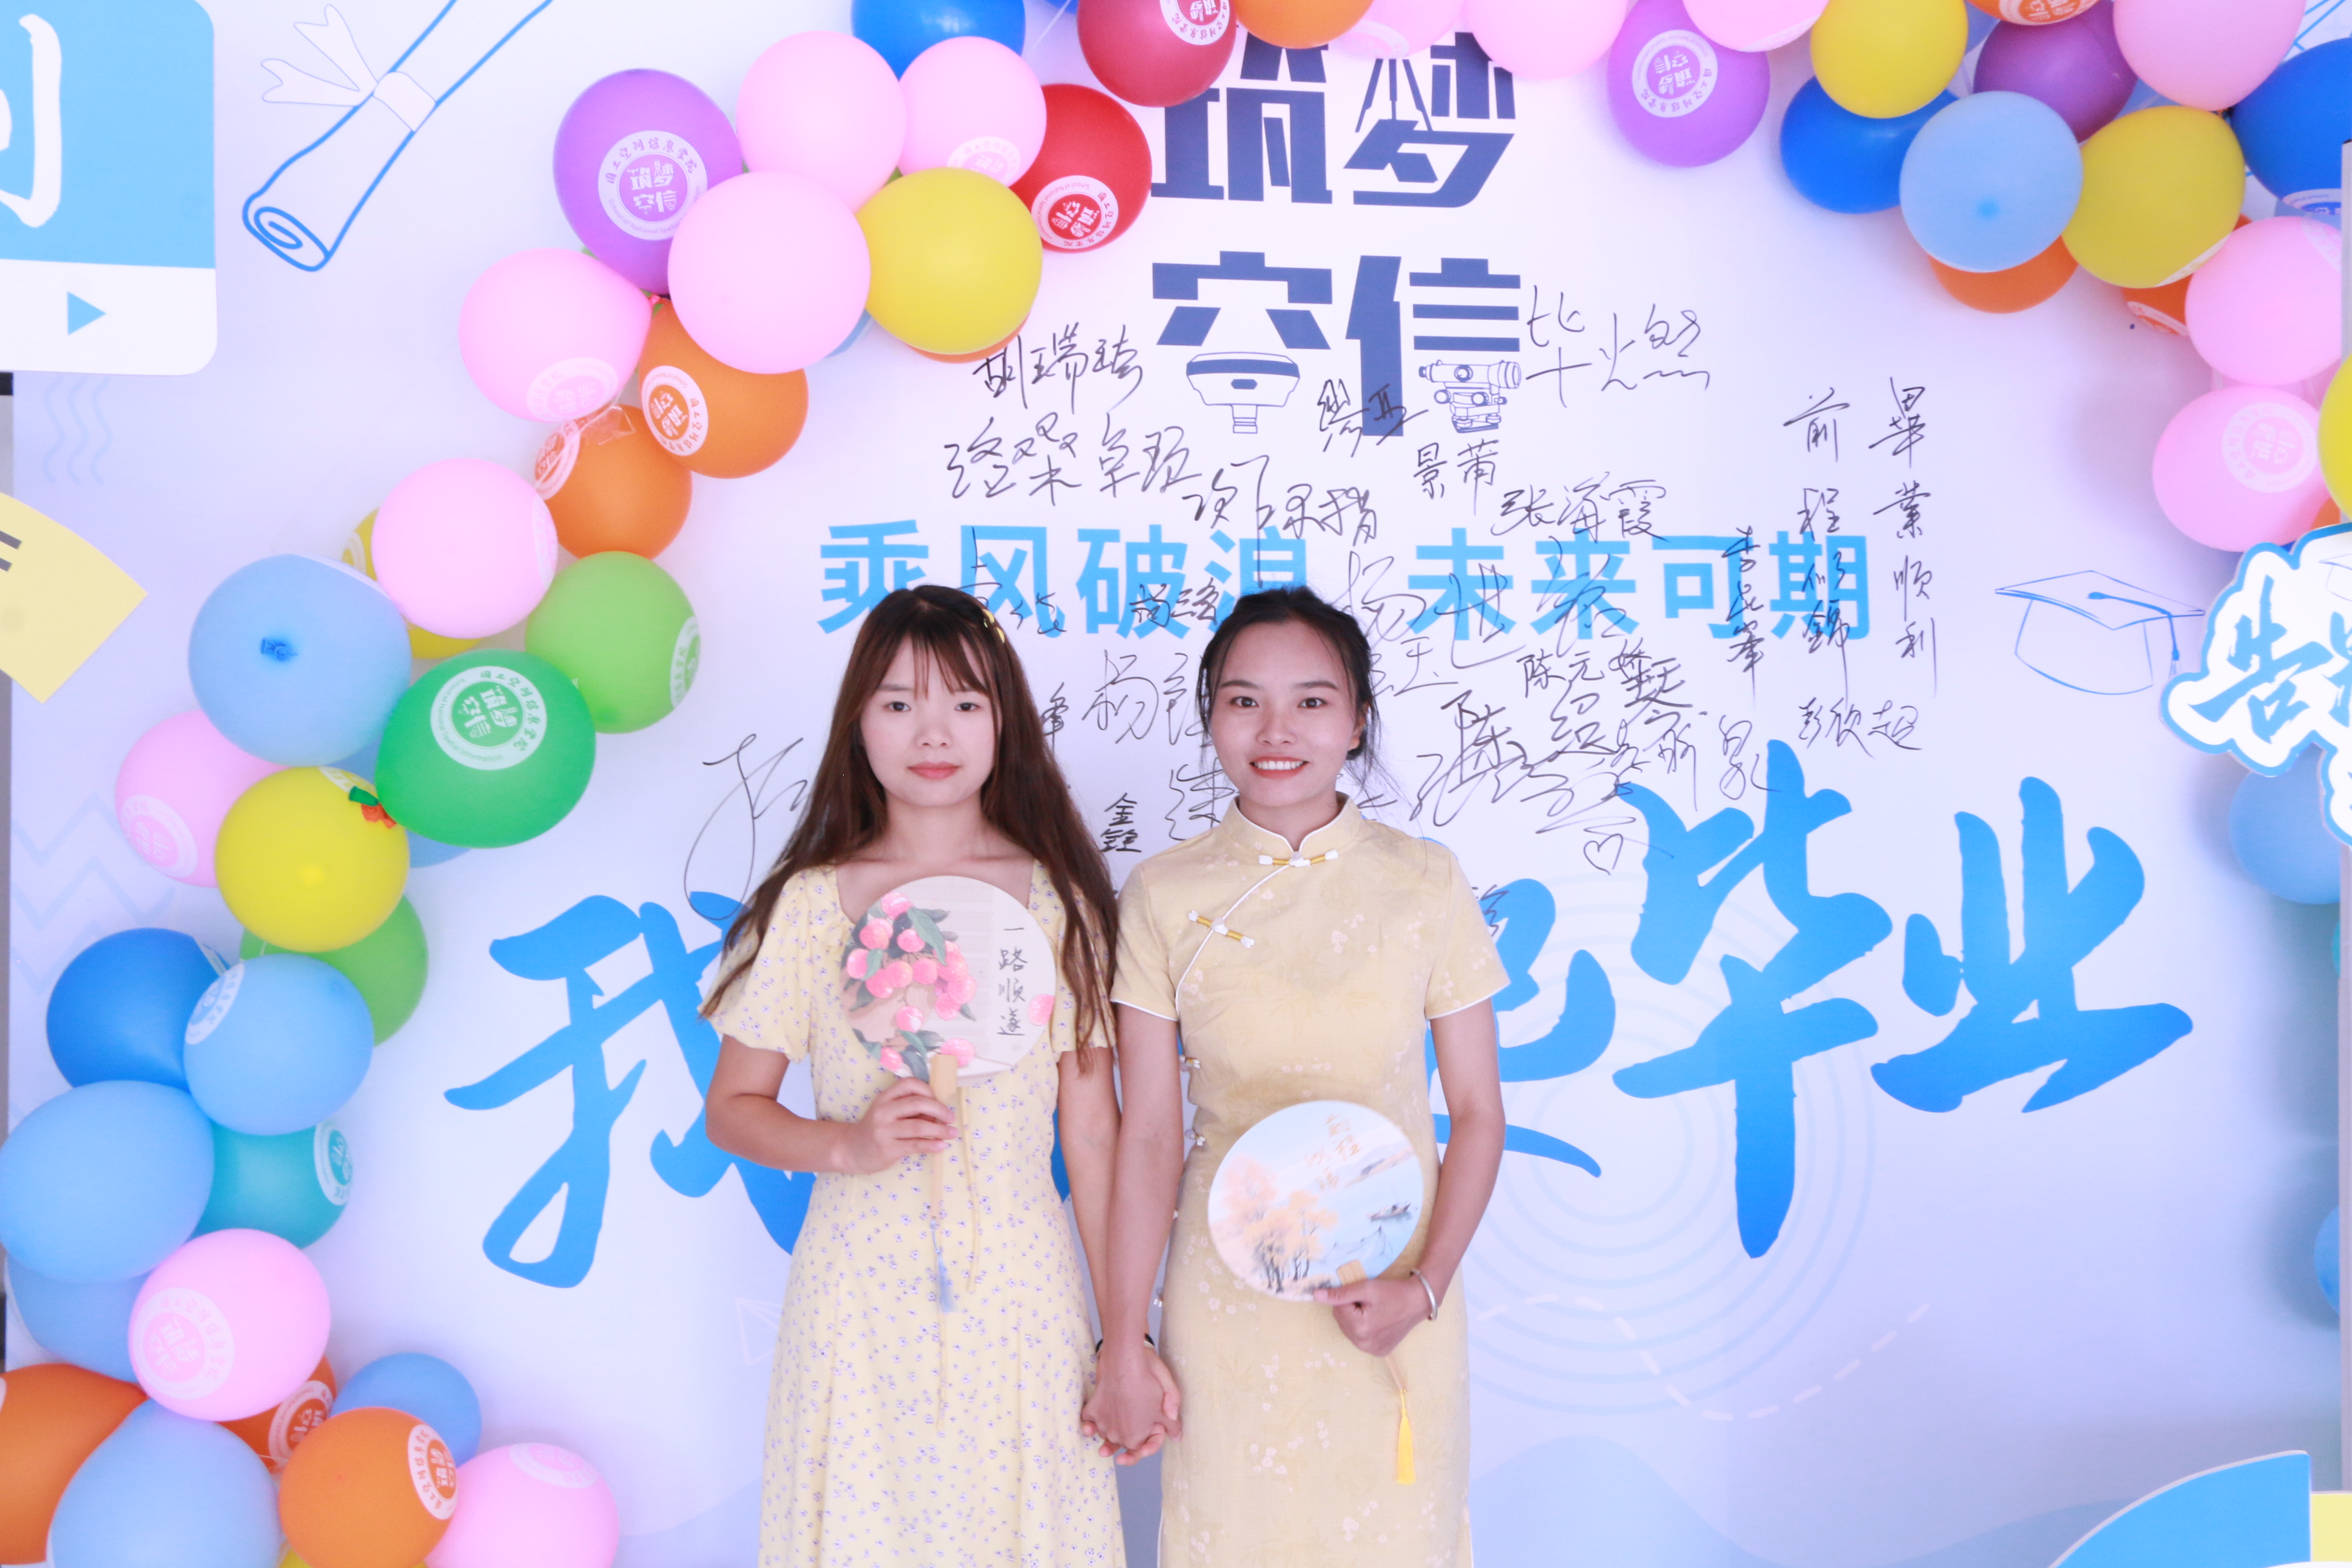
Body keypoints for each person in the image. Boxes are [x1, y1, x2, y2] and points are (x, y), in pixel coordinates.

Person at [701, 585, 1146, 1568]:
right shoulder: (811, 906)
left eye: (965, 703)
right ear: (858, 721)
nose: (932, 732)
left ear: (1005, 722)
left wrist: (1125, 1338)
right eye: (899, 703)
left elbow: (1094, 1134)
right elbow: (731, 1109)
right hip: (857, 1294)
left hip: (1022, 1292)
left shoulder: (1059, 904)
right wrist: (847, 1145)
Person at [1084, 586, 1509, 1565]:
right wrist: (1124, 1340)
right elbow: (1148, 1135)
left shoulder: (1425, 880)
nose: (1276, 731)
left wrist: (1426, 1290)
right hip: (1227, 1306)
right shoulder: (1163, 893)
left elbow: (1479, 1113)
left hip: (1395, 1288)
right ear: (1211, 717)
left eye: (1311, 701)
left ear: (1357, 719)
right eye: (1244, 701)